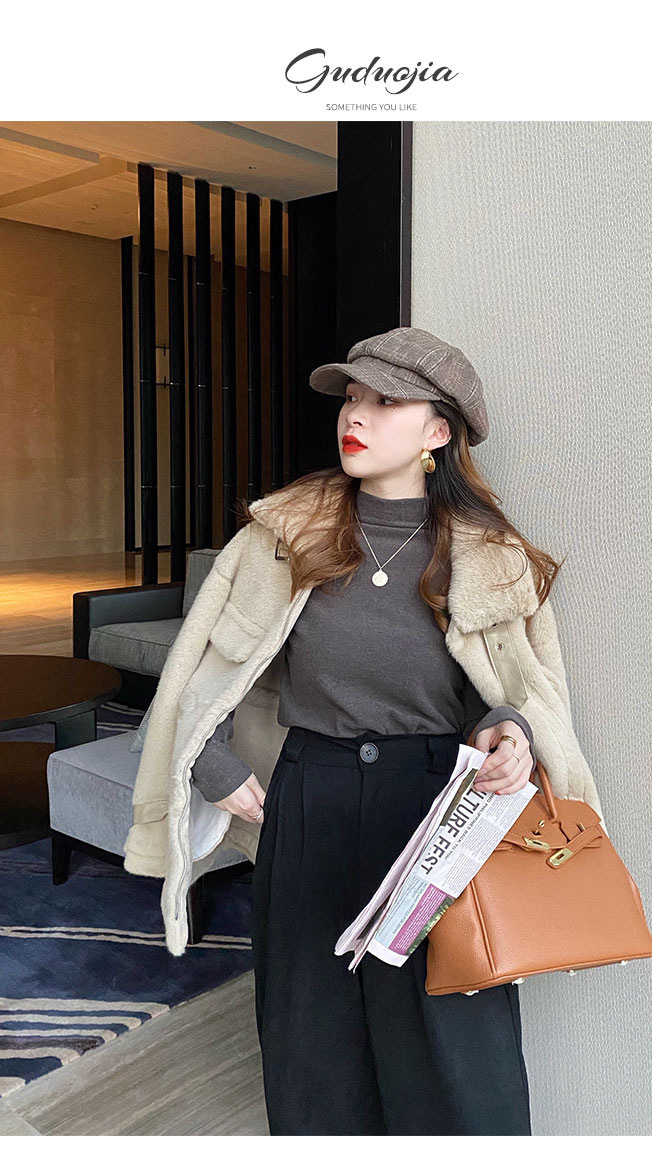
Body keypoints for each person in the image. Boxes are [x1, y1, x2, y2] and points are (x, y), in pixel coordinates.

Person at [185, 326, 574, 1136]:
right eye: (352, 396)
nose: (354, 415)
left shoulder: (486, 556)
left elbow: (510, 693)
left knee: (451, 1053)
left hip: (434, 808)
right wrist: (208, 759)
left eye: (385, 400)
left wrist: (511, 733)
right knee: (312, 1043)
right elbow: (211, 664)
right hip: (312, 799)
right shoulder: (284, 537)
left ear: (438, 431)